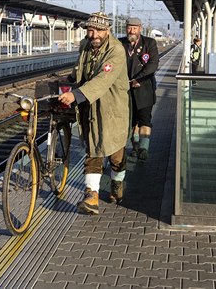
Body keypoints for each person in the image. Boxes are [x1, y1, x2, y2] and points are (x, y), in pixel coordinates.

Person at [58, 12, 130, 213]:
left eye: (98, 30)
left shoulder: (116, 50)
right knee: (93, 149)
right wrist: (67, 81)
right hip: (90, 108)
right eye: (90, 30)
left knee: (116, 155)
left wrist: (76, 94)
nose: (94, 35)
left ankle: (116, 184)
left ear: (107, 30)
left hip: (112, 109)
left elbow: (102, 80)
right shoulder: (85, 46)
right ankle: (91, 196)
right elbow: (79, 69)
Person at [119, 17, 160, 161]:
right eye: (129, 28)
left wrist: (139, 79)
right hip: (125, 91)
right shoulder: (120, 43)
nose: (132, 31)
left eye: (135, 28)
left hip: (144, 90)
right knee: (131, 121)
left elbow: (153, 64)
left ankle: (144, 148)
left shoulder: (149, 43)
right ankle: (135, 146)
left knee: (144, 119)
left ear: (140, 29)